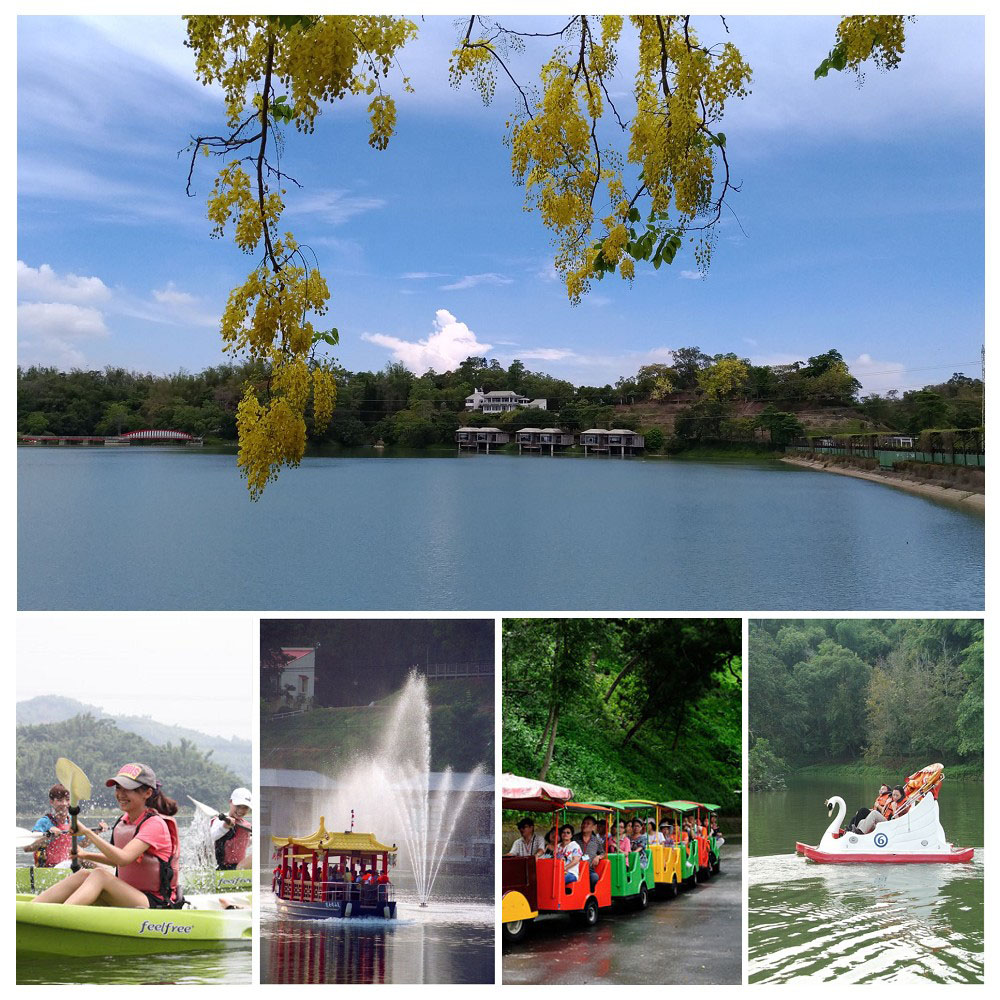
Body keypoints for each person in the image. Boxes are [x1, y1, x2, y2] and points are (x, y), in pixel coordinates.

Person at [30, 763, 180, 909]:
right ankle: (31, 910)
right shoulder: (123, 822)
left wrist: (88, 832)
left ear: (147, 793)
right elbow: (115, 860)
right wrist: (86, 854)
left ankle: (57, 916)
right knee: (83, 874)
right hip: (128, 894)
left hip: (155, 902)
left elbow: (123, 858)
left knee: (100, 875)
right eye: (118, 788)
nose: (121, 794)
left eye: (128, 789)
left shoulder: (154, 824)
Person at [211, 787, 253, 870]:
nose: (241, 810)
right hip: (222, 868)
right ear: (230, 802)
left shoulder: (246, 825)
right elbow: (209, 839)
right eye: (238, 806)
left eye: (245, 807)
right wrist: (224, 827)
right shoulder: (220, 820)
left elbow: (243, 843)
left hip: (237, 868)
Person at [572, 815, 604, 889]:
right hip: (575, 867)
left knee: (594, 878)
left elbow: (603, 853)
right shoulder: (574, 838)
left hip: (589, 869)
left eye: (588, 823)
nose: (584, 825)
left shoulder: (596, 840)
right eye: (583, 823)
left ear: (594, 827)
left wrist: (598, 857)